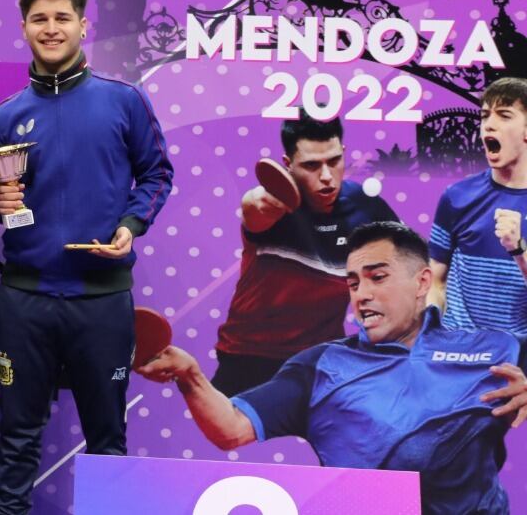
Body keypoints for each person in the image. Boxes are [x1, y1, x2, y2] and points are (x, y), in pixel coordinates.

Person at [137, 221, 527, 515]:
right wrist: (190, 376)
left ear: (422, 281)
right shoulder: (321, 365)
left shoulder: (492, 347)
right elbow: (231, 429)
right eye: (354, 284)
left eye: (378, 277)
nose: (362, 295)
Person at [0, 0, 173, 515]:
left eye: (62, 17)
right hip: (24, 299)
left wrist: (131, 226)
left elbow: (157, 174)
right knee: (18, 440)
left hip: (102, 301)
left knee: (107, 442)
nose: (51, 28)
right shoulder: (4, 117)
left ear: (83, 25)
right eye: (39, 19)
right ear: (24, 28)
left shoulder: (124, 101)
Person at [212, 112, 398, 396]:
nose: (326, 177)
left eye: (334, 161)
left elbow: (411, 266)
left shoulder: (366, 208)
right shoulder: (271, 205)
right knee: (228, 437)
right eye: (311, 165)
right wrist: (255, 201)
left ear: (344, 153)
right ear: (288, 165)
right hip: (247, 357)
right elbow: (254, 208)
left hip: (320, 361)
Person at [429, 77, 527, 335]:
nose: (489, 125)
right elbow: (436, 281)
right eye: (485, 116)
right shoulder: (456, 196)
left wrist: (518, 250)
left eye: (504, 115)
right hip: (459, 349)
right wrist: (430, 327)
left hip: (517, 356)